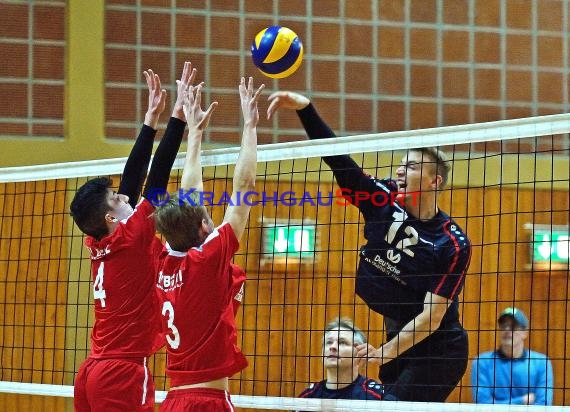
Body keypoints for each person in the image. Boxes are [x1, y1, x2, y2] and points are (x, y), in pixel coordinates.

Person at [267, 92, 471, 402]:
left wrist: (385, 352)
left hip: (440, 348)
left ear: (434, 182)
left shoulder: (451, 242)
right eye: (401, 165)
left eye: (413, 167)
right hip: (398, 332)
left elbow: (432, 318)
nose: (401, 171)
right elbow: (340, 163)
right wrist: (306, 109)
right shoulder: (383, 199)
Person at [70, 62, 196, 411]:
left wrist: (149, 121)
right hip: (121, 373)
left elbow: (130, 182)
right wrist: (178, 117)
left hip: (93, 371)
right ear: (111, 217)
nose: (126, 197)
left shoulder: (99, 241)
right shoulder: (132, 238)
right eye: (116, 200)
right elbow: (155, 179)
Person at [154, 77, 264, 411]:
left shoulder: (164, 261)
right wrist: (250, 124)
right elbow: (244, 184)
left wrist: (196, 134)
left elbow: (190, 196)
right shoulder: (207, 260)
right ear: (205, 227)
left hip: (173, 400)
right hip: (208, 401)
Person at [471, 307, 554, 405]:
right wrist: (522, 400)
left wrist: (501, 404)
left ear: (525, 333)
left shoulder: (542, 362)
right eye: (503, 325)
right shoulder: (482, 362)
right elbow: (483, 403)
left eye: (513, 326)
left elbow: (543, 404)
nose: (507, 329)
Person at [298, 317, 383, 401]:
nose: (332, 347)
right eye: (329, 342)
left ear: (359, 352)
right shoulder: (307, 397)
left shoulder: (376, 396)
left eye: (342, 342)